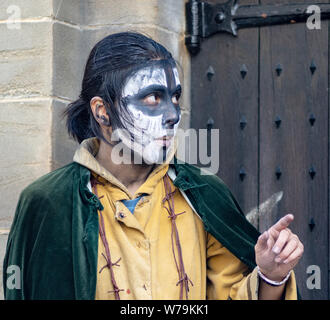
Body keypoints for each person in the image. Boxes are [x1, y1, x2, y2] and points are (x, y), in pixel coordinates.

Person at [3, 32, 303, 300]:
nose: (172, 114)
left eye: (174, 98)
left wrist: (270, 276)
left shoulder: (201, 193)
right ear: (102, 111)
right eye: (153, 97)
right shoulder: (48, 201)